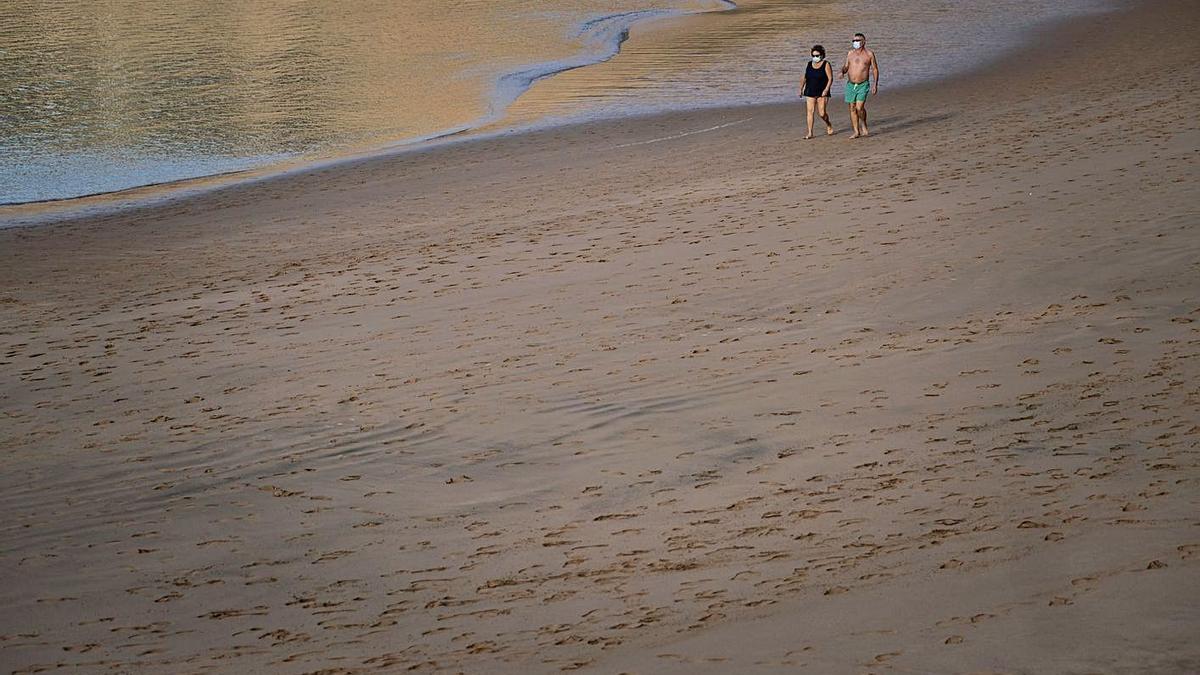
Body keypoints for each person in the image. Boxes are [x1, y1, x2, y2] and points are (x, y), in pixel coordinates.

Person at [840, 32, 879, 138]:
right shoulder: (850, 53)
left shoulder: (869, 54)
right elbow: (846, 66)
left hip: (863, 84)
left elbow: (875, 69)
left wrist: (875, 84)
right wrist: (842, 71)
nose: (855, 42)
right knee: (852, 108)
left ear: (864, 42)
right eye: (854, 41)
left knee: (859, 107)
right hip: (850, 85)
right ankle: (856, 131)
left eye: (857, 40)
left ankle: (864, 124)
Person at [799, 45, 834, 139]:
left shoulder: (826, 64)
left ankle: (828, 124)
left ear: (822, 55)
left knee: (822, 113)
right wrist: (801, 89)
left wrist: (826, 90)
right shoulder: (809, 64)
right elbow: (805, 77)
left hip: (822, 91)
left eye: (817, 55)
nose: (815, 57)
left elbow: (830, 78)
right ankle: (810, 132)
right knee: (810, 112)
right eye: (813, 55)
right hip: (810, 90)